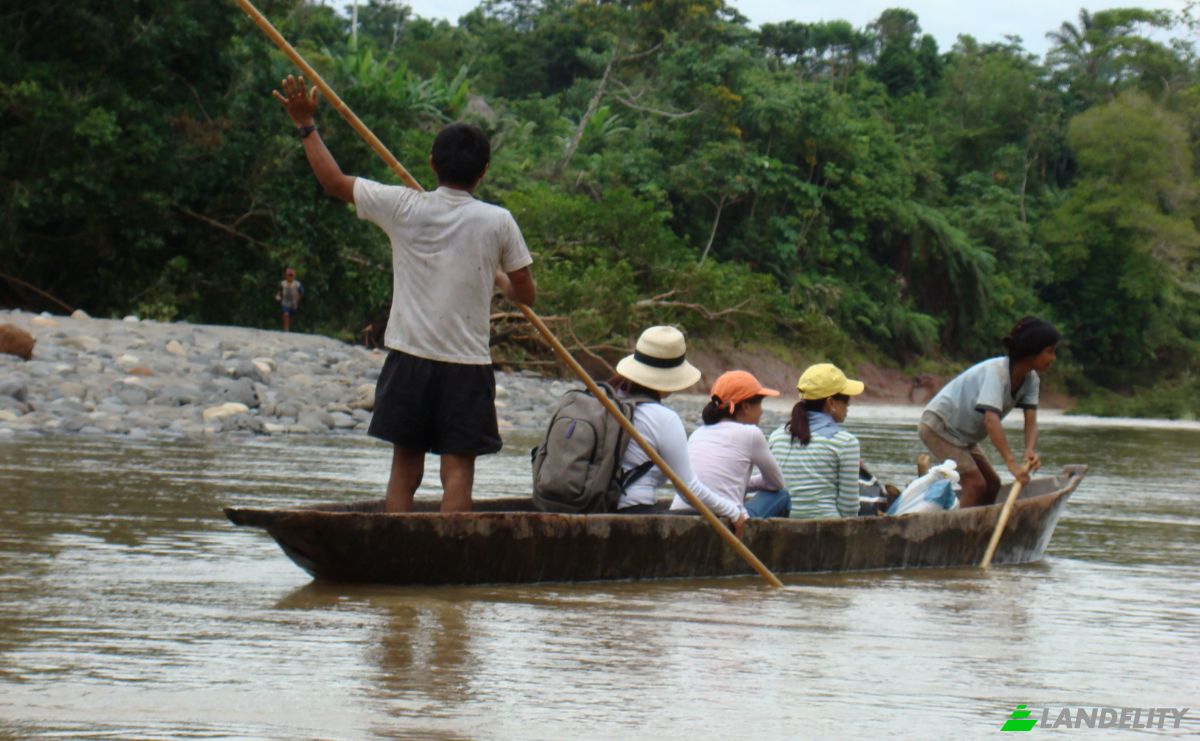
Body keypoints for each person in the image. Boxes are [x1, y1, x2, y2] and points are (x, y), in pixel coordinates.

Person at [273, 74, 536, 514]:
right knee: (457, 471)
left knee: (405, 466)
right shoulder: (498, 222)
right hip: (466, 366)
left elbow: (334, 182)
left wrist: (306, 125)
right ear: (484, 173)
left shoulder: (403, 206)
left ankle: (397, 547)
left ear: (432, 163)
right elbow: (526, 294)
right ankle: (451, 559)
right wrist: (500, 278)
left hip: (409, 359)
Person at [611, 326, 747, 530]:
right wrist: (733, 512)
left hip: (594, 501)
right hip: (631, 509)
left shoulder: (606, 400)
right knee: (711, 521)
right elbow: (688, 489)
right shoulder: (663, 418)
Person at [918, 316, 1060, 508]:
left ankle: (979, 529)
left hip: (964, 437)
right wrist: (1011, 463)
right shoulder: (997, 373)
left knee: (993, 485)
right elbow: (991, 421)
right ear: (1031, 351)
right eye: (1049, 352)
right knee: (975, 484)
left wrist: (1029, 451)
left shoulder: (1031, 379)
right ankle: (960, 534)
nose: (1053, 358)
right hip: (939, 426)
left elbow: (1031, 422)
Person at [670, 370, 791, 519]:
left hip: (680, 513)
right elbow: (777, 483)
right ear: (746, 407)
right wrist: (746, 483)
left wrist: (742, 483)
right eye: (760, 405)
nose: (761, 411)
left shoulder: (698, 433)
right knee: (782, 496)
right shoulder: (751, 434)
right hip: (728, 520)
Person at [768, 363, 865, 519]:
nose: (848, 406)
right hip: (827, 533)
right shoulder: (846, 442)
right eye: (846, 400)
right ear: (831, 403)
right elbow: (849, 510)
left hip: (781, 525)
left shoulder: (776, 437)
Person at [275, 267, 304, 332]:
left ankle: (288, 327)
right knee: (286, 314)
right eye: (289, 275)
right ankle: (286, 329)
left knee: (291, 317)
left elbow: (302, 293)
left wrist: (298, 300)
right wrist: (277, 296)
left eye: (291, 275)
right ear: (286, 275)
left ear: (294, 276)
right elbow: (279, 291)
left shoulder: (297, 284)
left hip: (293, 303)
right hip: (285, 302)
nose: (290, 277)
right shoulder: (282, 283)